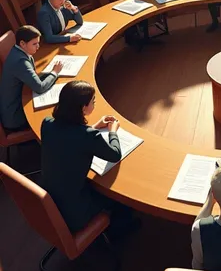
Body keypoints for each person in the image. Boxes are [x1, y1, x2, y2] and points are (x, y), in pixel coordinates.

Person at [41, 80, 136, 235]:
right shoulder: (88, 136)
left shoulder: (47, 123)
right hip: (75, 212)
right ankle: (120, 230)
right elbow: (114, 154)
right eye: (93, 101)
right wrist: (113, 131)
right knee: (122, 197)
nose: (94, 103)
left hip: (51, 201)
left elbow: (69, 138)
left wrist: (93, 127)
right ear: (83, 108)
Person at [0, 25, 63, 132]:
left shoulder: (18, 51)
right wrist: (54, 73)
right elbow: (40, 87)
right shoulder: (20, 62)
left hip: (18, 100)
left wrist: (48, 74)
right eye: (34, 44)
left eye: (38, 42)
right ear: (22, 43)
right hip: (15, 116)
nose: (38, 47)